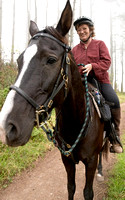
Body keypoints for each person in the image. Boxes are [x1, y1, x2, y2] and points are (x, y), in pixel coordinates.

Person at [72, 16, 123, 153]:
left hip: (101, 80)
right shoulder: (74, 50)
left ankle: (115, 137)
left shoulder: (100, 44)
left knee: (114, 101)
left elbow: (106, 62)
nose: (82, 31)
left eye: (84, 29)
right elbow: (71, 68)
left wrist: (92, 66)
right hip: (82, 82)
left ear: (90, 30)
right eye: (79, 30)